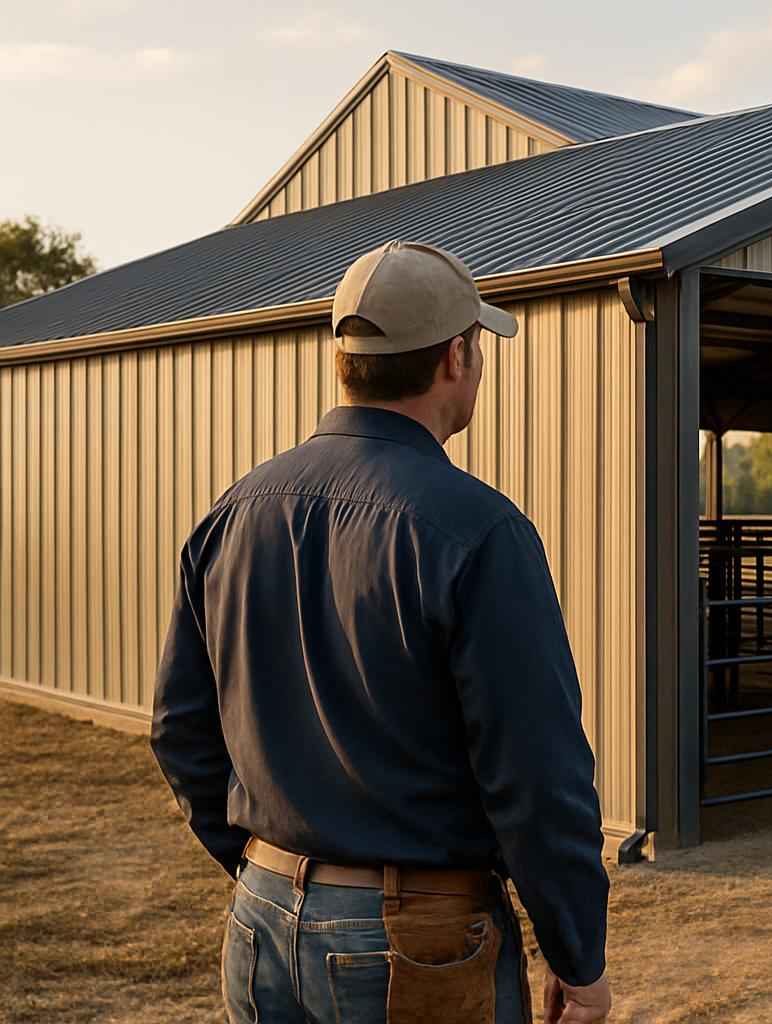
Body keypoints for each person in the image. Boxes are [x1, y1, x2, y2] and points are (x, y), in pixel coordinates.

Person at [150, 240, 612, 1024]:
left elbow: (179, 731)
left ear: (345, 362)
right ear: (456, 358)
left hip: (260, 918)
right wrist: (579, 955)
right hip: (415, 938)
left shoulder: (235, 513)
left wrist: (265, 865)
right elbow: (535, 775)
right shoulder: (480, 531)